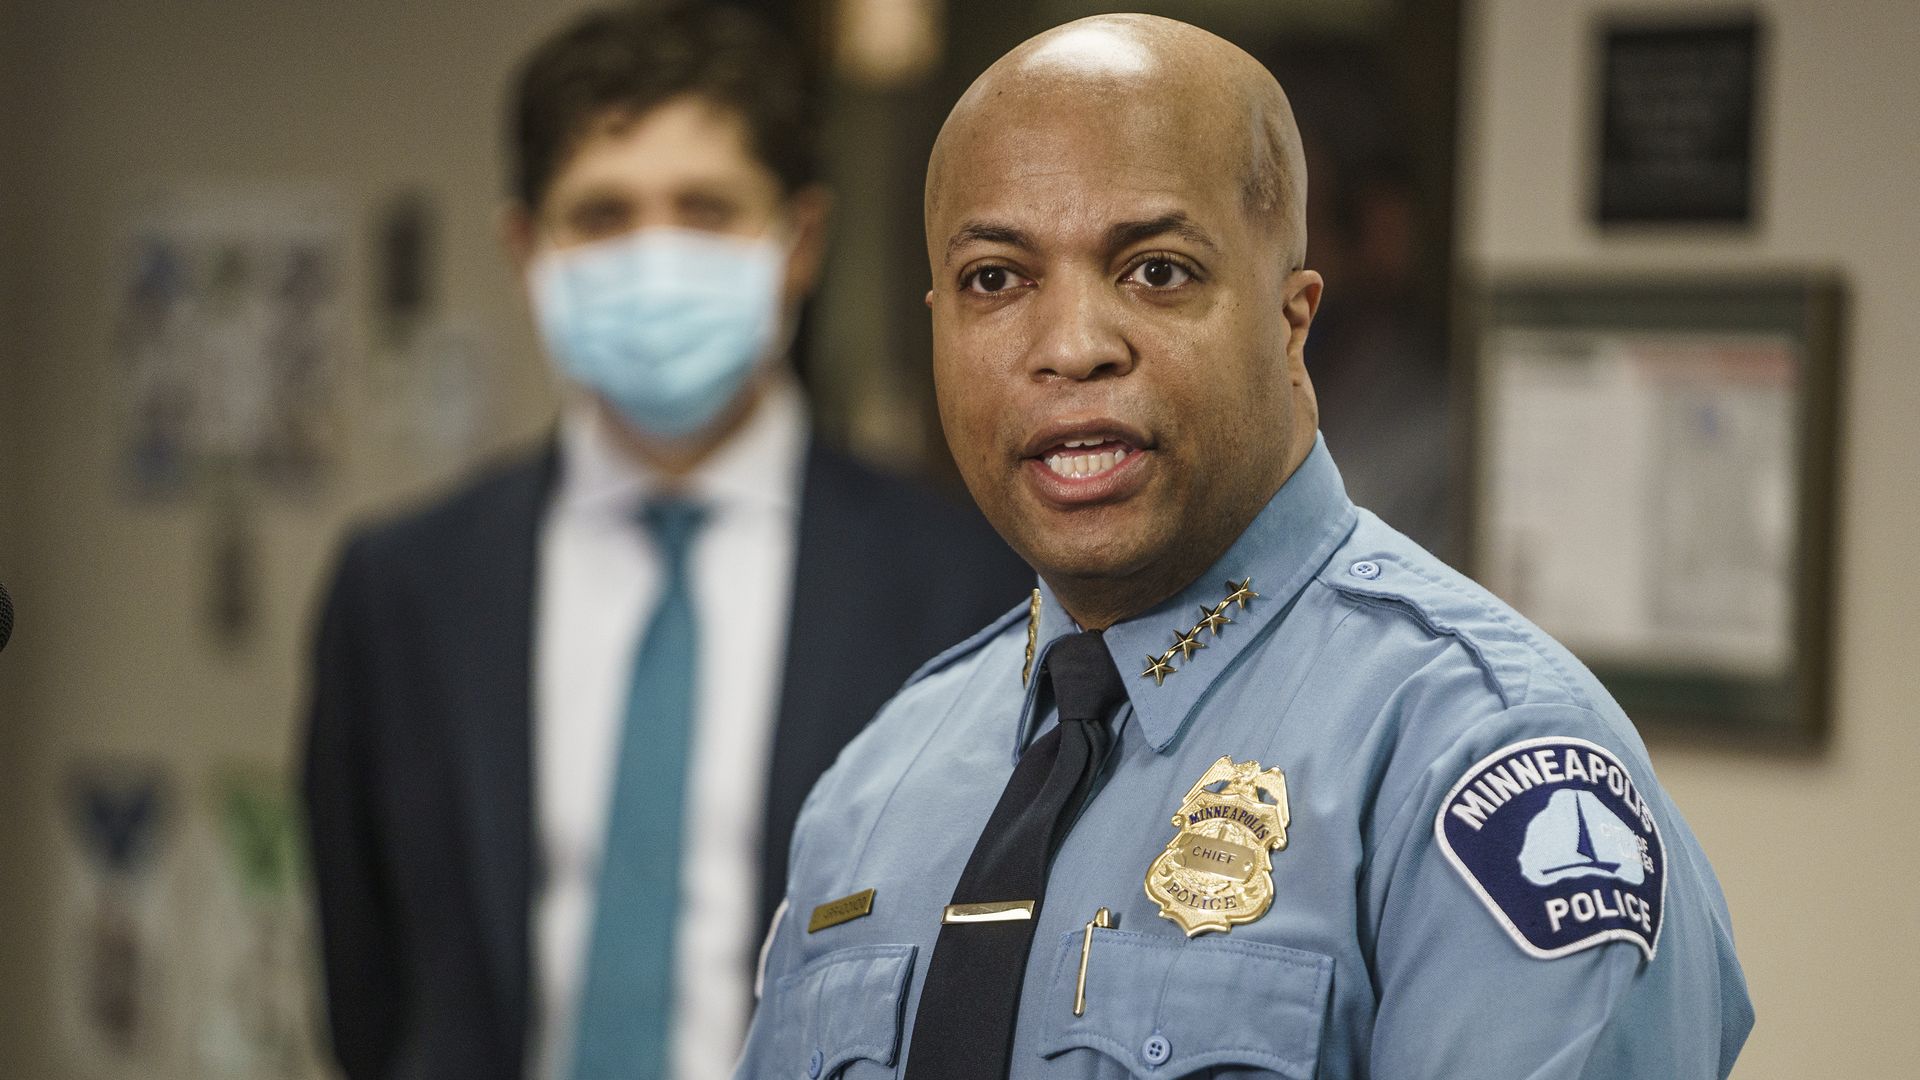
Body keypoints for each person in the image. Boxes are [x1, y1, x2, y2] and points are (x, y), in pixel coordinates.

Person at [737, 14, 1752, 1079]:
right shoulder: (876, 783)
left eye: (1157, 271)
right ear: (939, 319)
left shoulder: (1476, 762)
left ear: (1290, 318)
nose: (1073, 345)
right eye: (998, 279)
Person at [300, 6, 1029, 1080]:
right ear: (525, 249)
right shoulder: (403, 589)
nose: (655, 255)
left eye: (705, 209)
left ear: (801, 242)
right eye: (602, 215)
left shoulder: (966, 586)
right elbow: (368, 992)